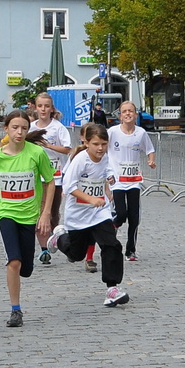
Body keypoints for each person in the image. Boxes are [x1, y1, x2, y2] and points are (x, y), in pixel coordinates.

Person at [0, 109, 57, 327]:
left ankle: (24, 270)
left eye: (24, 128)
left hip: (29, 214)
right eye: (15, 127)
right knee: (14, 261)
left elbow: (50, 182)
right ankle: (15, 310)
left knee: (26, 268)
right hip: (5, 212)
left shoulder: (36, 153)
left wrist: (45, 213)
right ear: (6, 129)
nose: (19, 132)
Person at [52, 124, 130, 307]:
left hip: (99, 213)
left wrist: (111, 179)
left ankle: (112, 288)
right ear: (86, 143)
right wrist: (90, 199)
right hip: (78, 215)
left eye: (104, 144)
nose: (100, 148)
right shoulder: (80, 160)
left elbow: (109, 171)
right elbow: (68, 186)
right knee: (76, 254)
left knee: (112, 244)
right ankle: (59, 238)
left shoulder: (105, 158)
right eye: (96, 144)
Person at [107, 101, 156, 261]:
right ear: (120, 115)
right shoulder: (112, 132)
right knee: (121, 213)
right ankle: (113, 227)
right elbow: (101, 148)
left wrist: (151, 160)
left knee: (134, 218)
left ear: (135, 115)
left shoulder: (141, 133)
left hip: (134, 180)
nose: (128, 114)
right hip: (117, 180)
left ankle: (130, 250)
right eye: (124, 111)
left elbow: (149, 149)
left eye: (131, 111)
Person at [29, 94, 73, 265]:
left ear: (51, 109)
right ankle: (44, 250)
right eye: (40, 106)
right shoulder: (31, 127)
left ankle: (64, 244)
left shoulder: (58, 128)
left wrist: (47, 145)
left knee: (52, 214)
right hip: (35, 178)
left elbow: (67, 149)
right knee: (38, 213)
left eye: (47, 106)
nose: (43, 109)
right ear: (35, 108)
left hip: (55, 178)